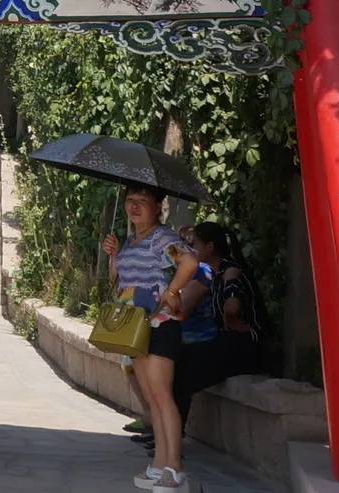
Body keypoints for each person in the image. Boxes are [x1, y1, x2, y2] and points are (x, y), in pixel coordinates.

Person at [102, 186, 199, 490]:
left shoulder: (162, 238)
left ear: (158, 206)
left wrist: (171, 292)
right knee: (151, 399)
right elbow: (118, 283)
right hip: (136, 326)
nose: (134, 206)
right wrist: (115, 256)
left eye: (142, 201)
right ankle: (160, 464)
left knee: (162, 396)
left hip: (160, 325)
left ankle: (175, 467)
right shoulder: (132, 239)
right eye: (131, 200)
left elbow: (191, 262)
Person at [171, 223, 264, 424]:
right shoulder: (217, 272)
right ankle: (166, 434)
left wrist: (231, 321)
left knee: (184, 373)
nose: (192, 249)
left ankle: (173, 437)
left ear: (210, 247)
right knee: (178, 362)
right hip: (228, 341)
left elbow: (232, 306)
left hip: (244, 345)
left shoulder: (230, 271)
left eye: (195, 244)